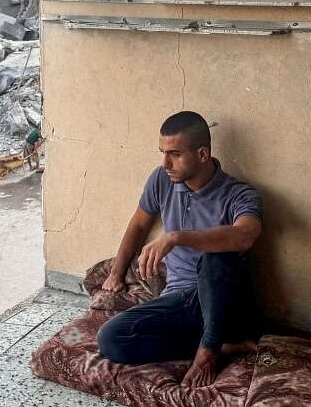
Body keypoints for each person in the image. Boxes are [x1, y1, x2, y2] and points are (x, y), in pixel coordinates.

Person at [96, 111, 263, 388]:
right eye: (162, 153)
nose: (165, 163)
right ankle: (222, 346)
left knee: (217, 257)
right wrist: (116, 272)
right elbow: (138, 225)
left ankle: (208, 351)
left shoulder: (240, 194)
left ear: (202, 155)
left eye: (174, 154)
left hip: (227, 306)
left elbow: (244, 235)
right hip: (180, 301)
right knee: (110, 338)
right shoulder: (161, 180)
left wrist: (177, 237)